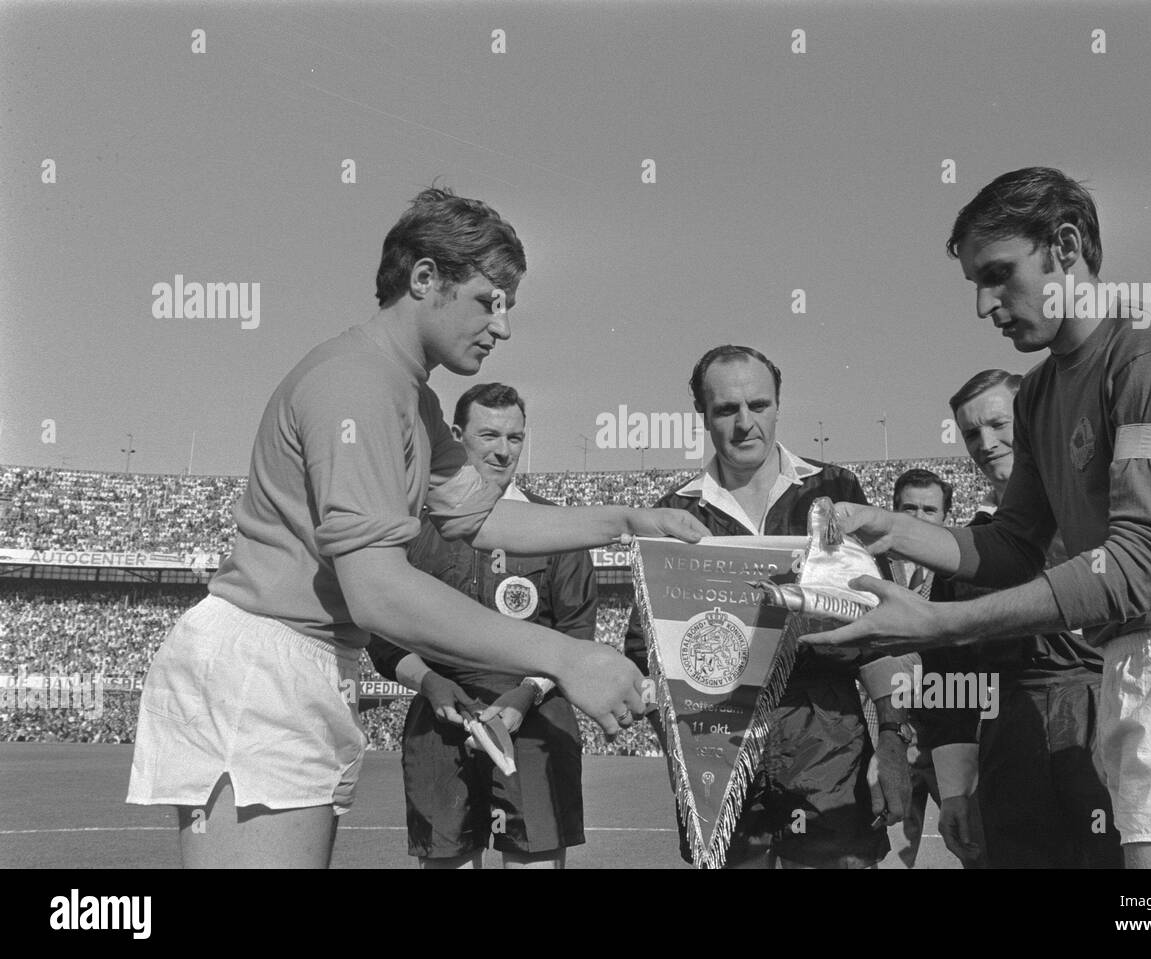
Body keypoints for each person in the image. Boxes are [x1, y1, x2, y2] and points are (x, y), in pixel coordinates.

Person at [126, 183, 706, 868]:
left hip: (294, 661)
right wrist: (564, 655)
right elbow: (378, 591)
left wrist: (626, 520)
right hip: (264, 662)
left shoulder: (409, 395)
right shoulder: (358, 385)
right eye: (488, 301)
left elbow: (480, 514)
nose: (503, 326)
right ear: (425, 278)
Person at [807, 167, 1151, 868]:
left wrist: (940, 622)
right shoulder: (1040, 393)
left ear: (1065, 247)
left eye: (1000, 273)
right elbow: (1014, 544)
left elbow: (1145, 566)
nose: (985, 304)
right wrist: (889, 527)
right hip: (1130, 669)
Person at [624, 344, 911, 869]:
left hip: (828, 737)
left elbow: (881, 629)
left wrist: (892, 739)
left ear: (779, 404)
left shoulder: (834, 492)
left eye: (758, 405)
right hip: (718, 737)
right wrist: (683, 751)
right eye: (726, 409)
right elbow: (646, 653)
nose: (744, 423)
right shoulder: (674, 511)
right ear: (702, 415)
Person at [368, 383, 594, 869]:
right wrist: (430, 682)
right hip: (441, 717)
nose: (503, 450)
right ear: (455, 435)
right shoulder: (414, 528)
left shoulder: (556, 528)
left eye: (515, 438)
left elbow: (576, 634)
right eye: (489, 434)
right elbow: (382, 634)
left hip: (534, 721)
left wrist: (522, 698)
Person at [918, 369, 1121, 868]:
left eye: (997, 424)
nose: (986, 443)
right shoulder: (964, 551)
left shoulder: (1106, 516)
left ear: (1031, 420)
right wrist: (957, 789)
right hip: (1010, 733)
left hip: (1107, 711)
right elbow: (950, 679)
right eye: (971, 433)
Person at [884, 468, 951, 868]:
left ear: (945, 517)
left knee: (976, 843)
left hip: (948, 734)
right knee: (890, 857)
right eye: (910, 507)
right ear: (894, 510)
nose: (920, 517)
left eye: (930, 509)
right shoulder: (869, 568)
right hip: (889, 736)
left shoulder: (963, 572)